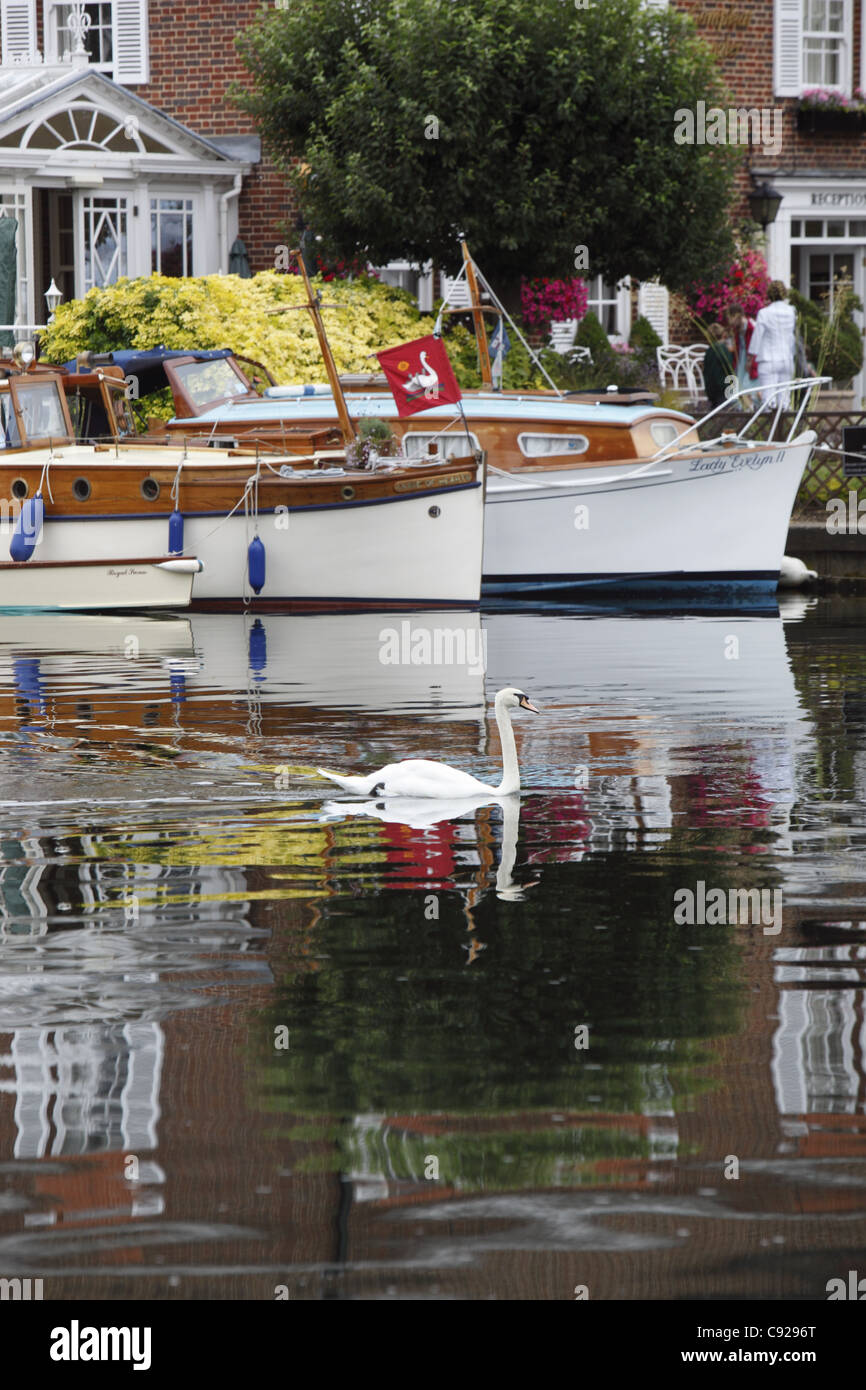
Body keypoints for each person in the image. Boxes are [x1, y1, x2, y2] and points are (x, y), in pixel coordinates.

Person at [748, 281, 797, 409]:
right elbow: (792, 336)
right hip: (787, 358)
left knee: (768, 399)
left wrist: (750, 357)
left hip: (768, 359)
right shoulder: (791, 311)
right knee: (785, 399)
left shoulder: (764, 313)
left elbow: (756, 337)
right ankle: (784, 427)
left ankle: (770, 427)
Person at [727, 304, 758, 407]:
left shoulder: (751, 327)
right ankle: (743, 409)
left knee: (748, 386)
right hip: (741, 359)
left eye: (732, 319)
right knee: (739, 385)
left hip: (751, 360)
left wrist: (750, 361)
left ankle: (751, 408)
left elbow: (755, 347)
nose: (731, 323)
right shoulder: (737, 330)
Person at [702, 322, 735, 410]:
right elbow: (730, 367)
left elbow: (706, 371)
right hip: (724, 388)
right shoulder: (723, 349)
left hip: (711, 389)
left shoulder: (709, 351)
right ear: (723, 334)